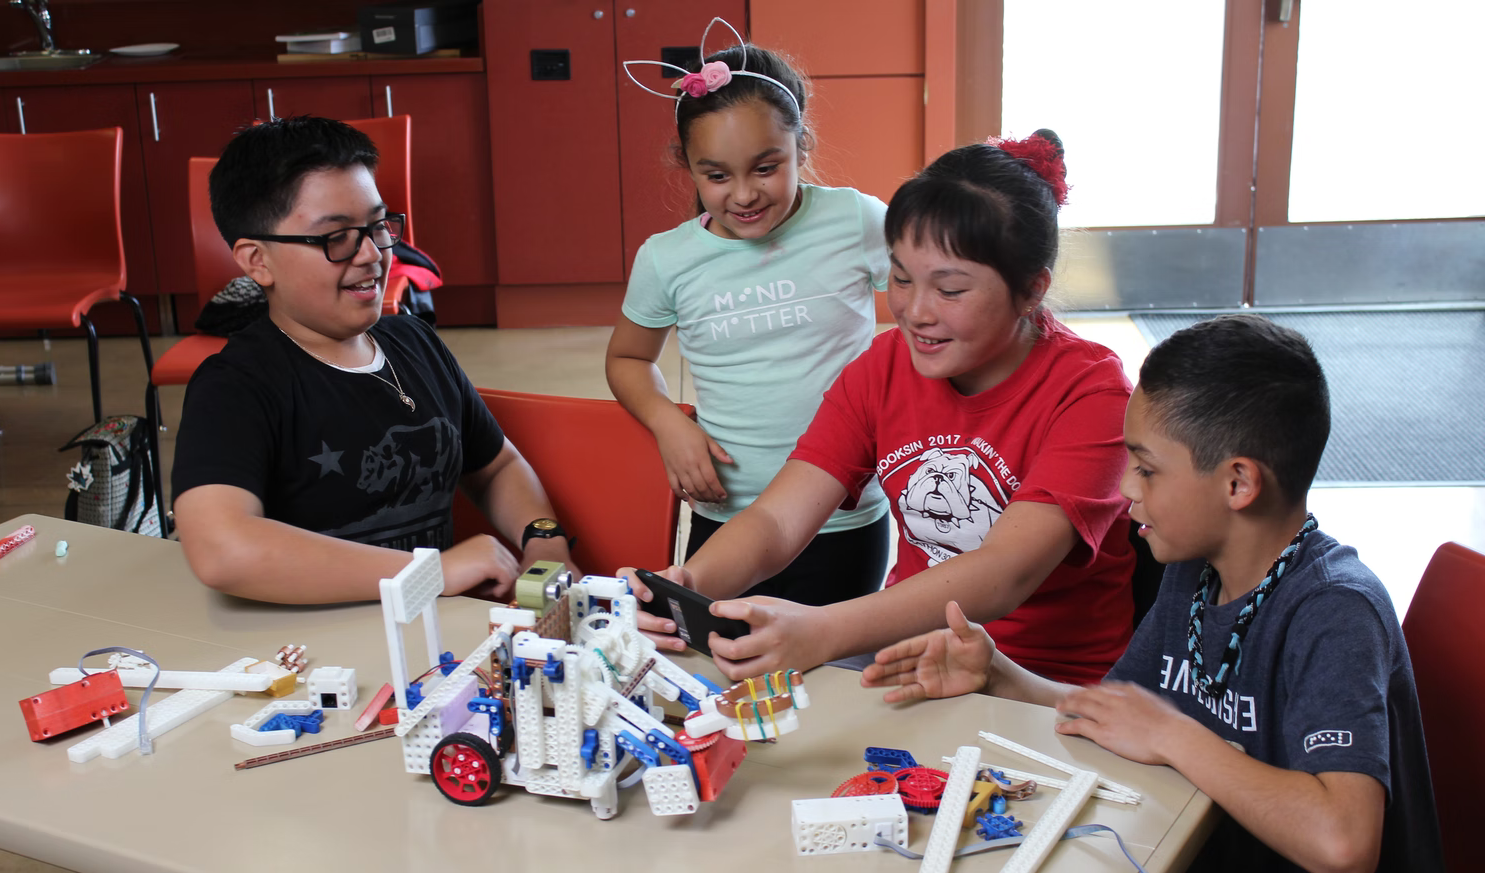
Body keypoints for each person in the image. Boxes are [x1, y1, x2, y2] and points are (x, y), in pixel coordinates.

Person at [863, 314, 1442, 872]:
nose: (1124, 488)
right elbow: (1121, 713)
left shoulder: (1335, 612)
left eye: (1146, 469)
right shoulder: (1194, 571)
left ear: (1238, 483)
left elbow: (1344, 844)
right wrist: (1000, 674)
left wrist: (1173, 735)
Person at [633, 130, 1136, 684]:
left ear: (1031, 289)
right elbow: (778, 519)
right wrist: (689, 583)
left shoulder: (1092, 394)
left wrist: (823, 630)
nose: (914, 311)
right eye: (900, 277)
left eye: (949, 290)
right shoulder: (884, 366)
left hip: (1045, 685)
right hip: (909, 659)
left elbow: (1004, 572)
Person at [172, 116, 574, 604]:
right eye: (335, 237)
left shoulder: (416, 342)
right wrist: (429, 572)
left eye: (377, 226)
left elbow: (495, 465)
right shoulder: (236, 385)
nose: (371, 254)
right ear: (258, 260)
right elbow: (221, 550)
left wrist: (543, 538)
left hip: (432, 642)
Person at [607, 23, 893, 609]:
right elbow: (628, 358)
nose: (743, 194)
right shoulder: (667, 258)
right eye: (717, 176)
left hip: (844, 517)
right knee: (728, 682)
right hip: (728, 518)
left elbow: (930, 308)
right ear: (687, 168)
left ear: (801, 147)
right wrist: (669, 423)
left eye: (766, 168)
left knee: (835, 681)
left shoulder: (857, 220)